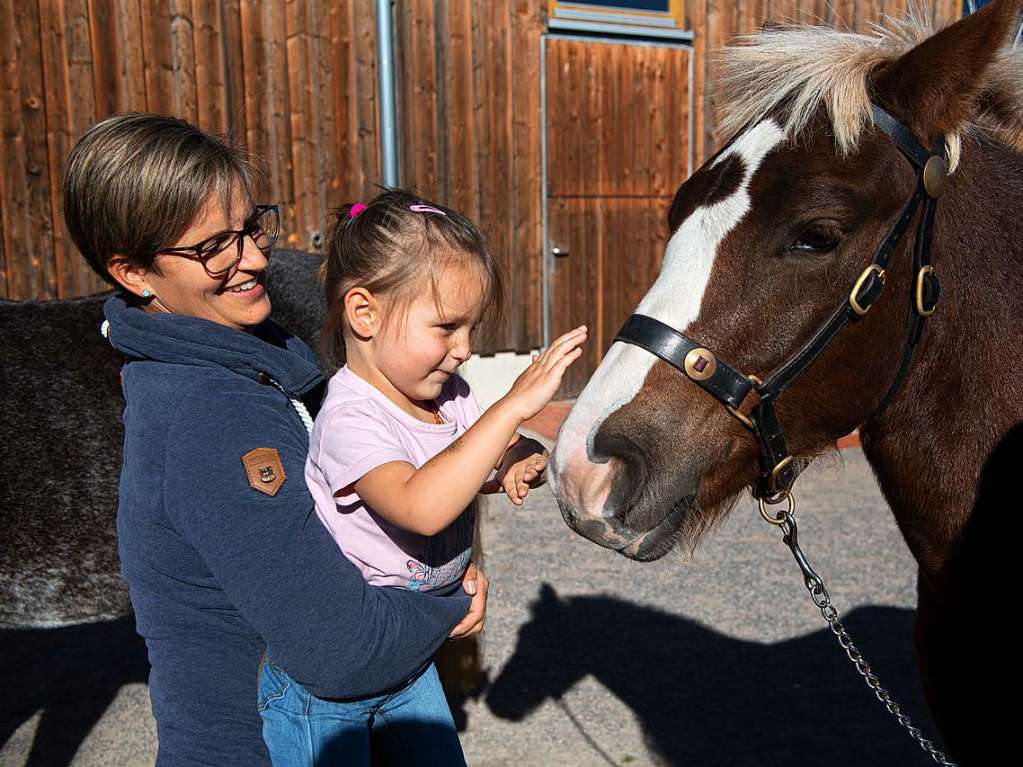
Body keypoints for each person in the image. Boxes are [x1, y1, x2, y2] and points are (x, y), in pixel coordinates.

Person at [62, 113, 487, 766]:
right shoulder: (212, 413)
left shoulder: (262, 360)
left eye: (250, 226)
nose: (255, 258)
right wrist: (444, 600)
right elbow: (338, 647)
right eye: (213, 248)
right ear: (134, 272)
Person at [257, 189, 587, 764]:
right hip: (327, 681)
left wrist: (512, 460)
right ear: (365, 313)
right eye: (446, 327)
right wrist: (511, 407)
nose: (463, 349)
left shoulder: (446, 395)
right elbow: (420, 504)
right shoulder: (348, 418)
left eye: (471, 328)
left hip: (407, 656)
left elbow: (472, 458)